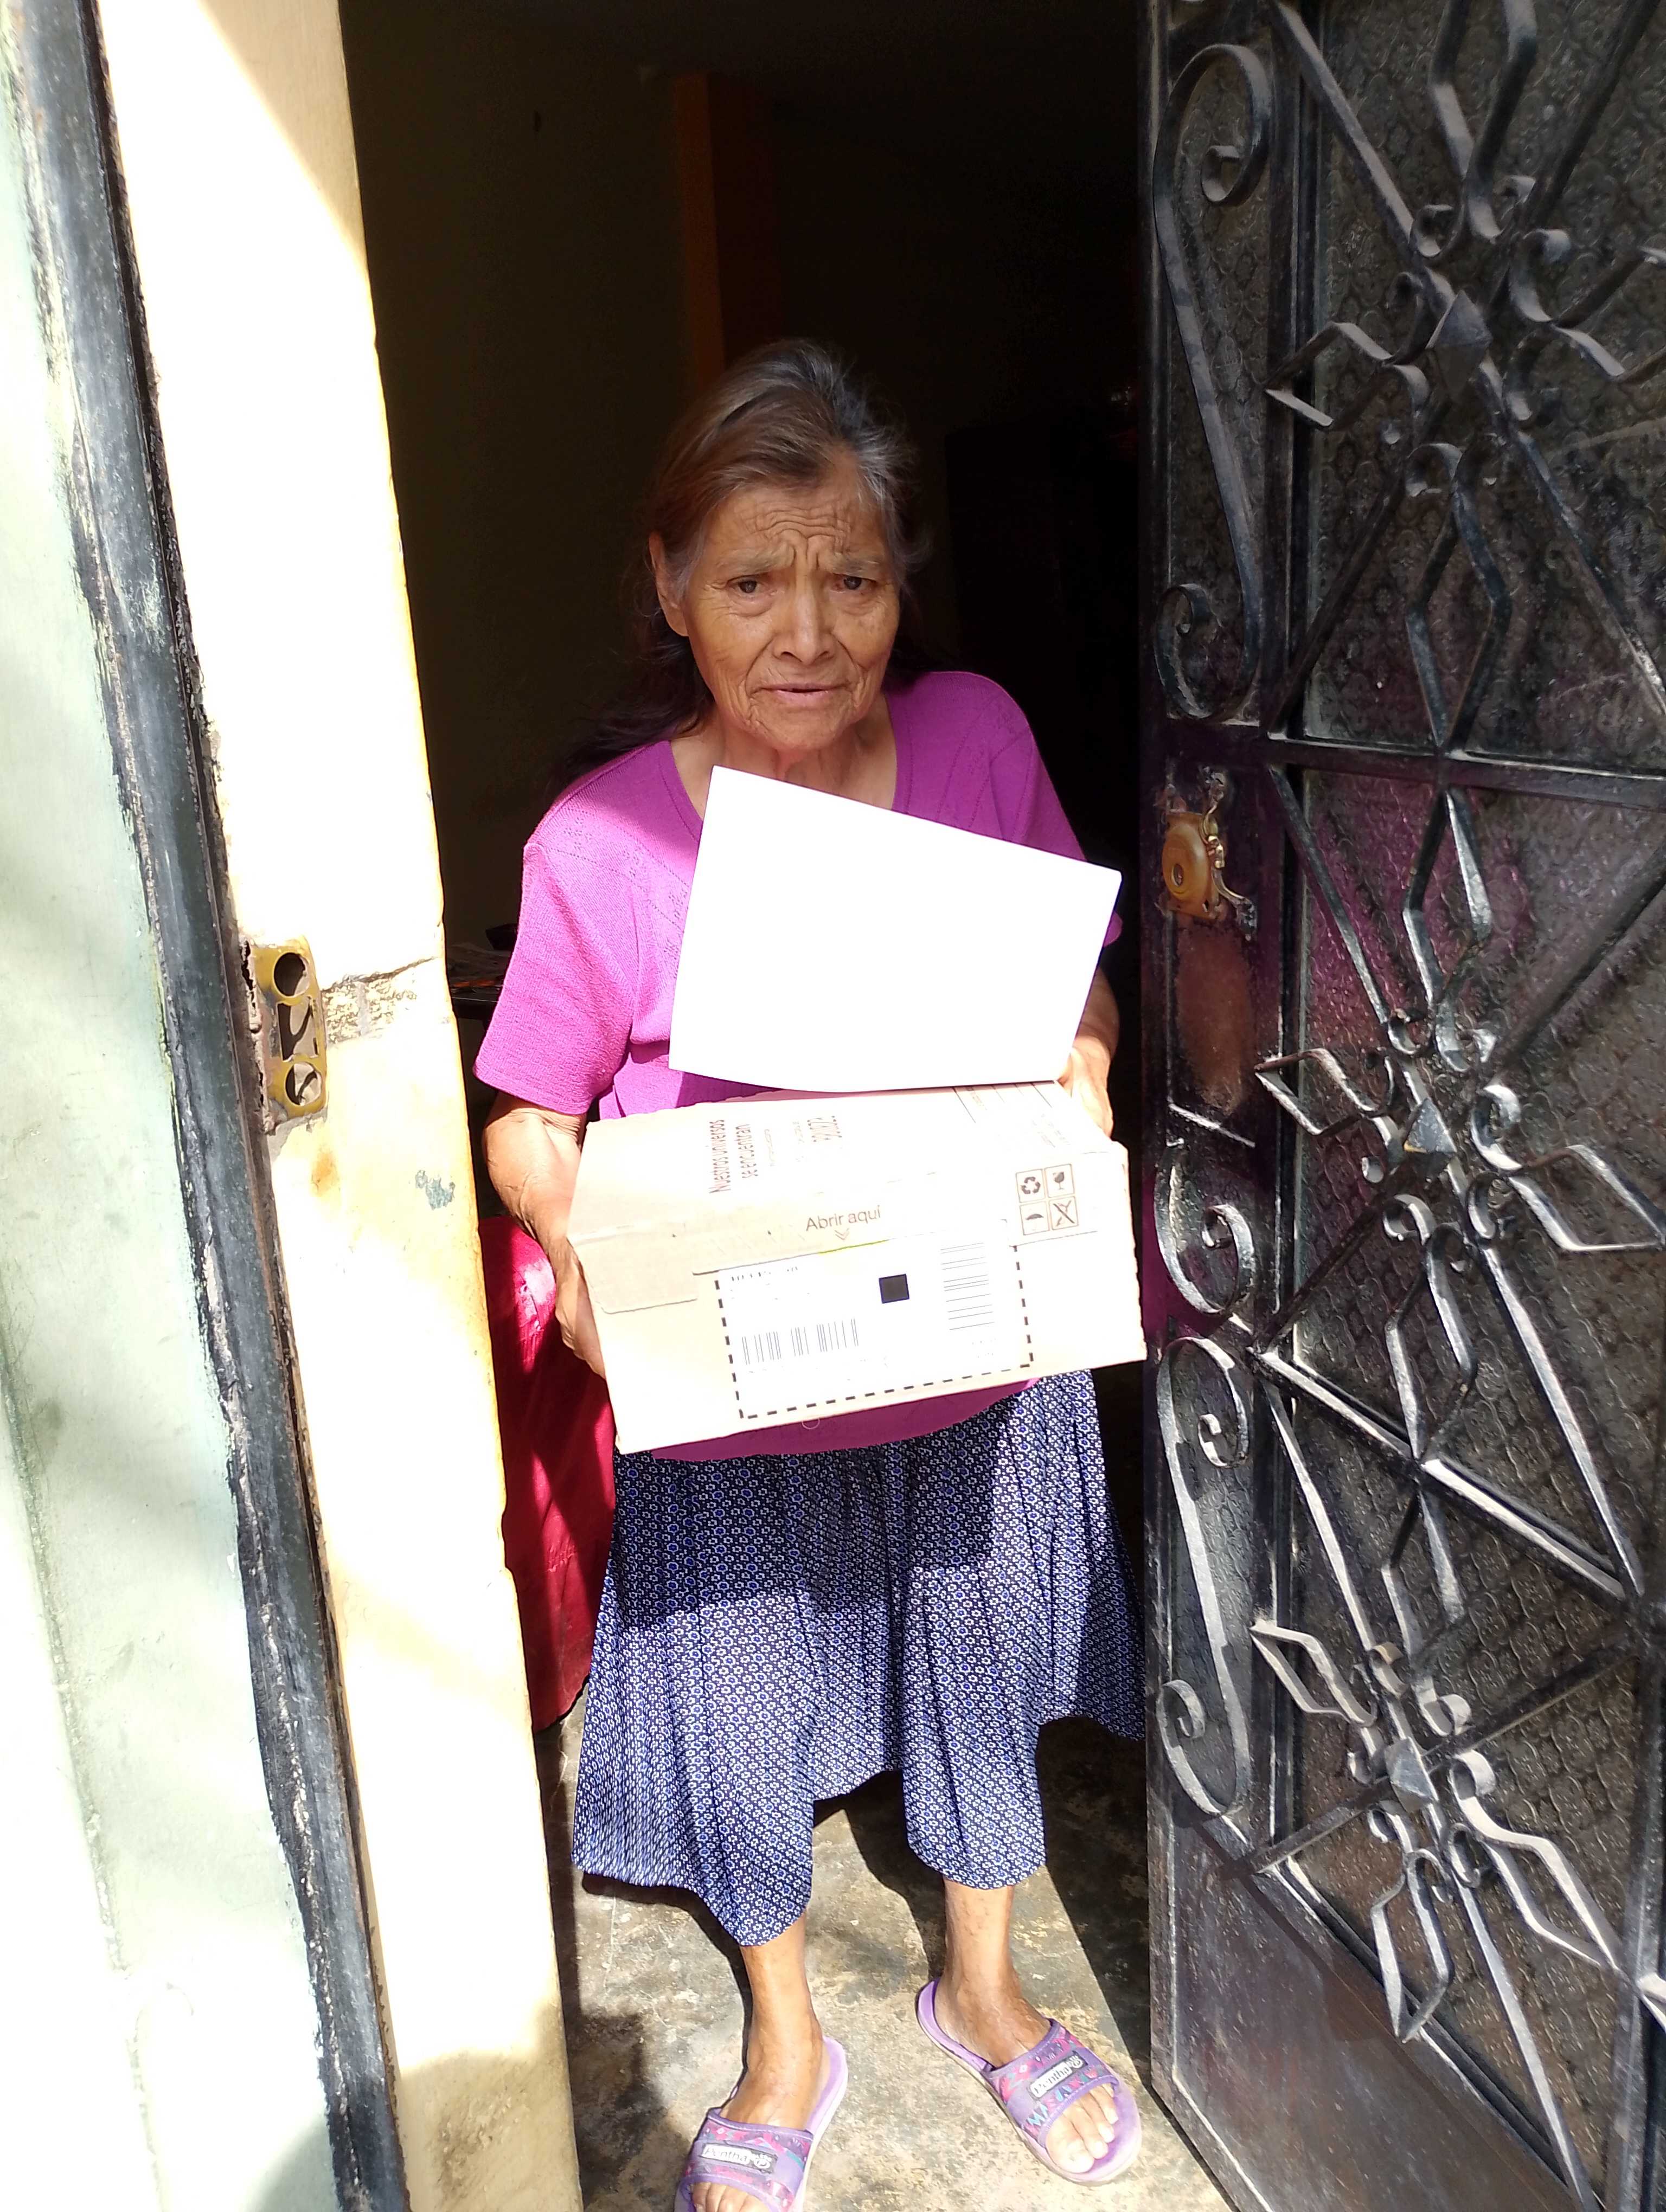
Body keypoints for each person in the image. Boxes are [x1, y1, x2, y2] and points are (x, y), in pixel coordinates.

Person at [479, 340, 1143, 2209]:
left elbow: (1076, 984)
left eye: (852, 576)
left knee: (981, 1661)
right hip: (742, 1362)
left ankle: (984, 1992)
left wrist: (1084, 1065)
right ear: (670, 586)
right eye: (754, 579)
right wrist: (576, 1239)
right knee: (747, 1701)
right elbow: (527, 1114)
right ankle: (788, 2035)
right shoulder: (604, 843)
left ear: (901, 582)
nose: (808, 630)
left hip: (969, 1333)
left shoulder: (978, 740)